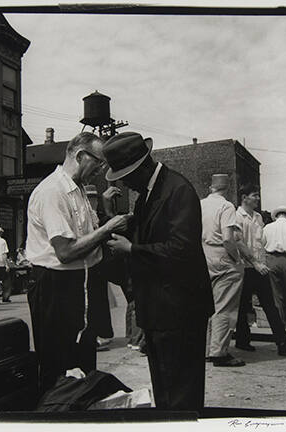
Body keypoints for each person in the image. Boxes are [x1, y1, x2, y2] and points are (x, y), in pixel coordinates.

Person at [104, 131, 214, 411]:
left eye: (125, 175)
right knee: (165, 387)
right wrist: (109, 214)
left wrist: (132, 250)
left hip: (180, 310)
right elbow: (143, 232)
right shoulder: (149, 194)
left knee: (181, 392)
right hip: (161, 309)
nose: (125, 183)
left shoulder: (178, 190)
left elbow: (182, 250)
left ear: (142, 167)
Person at [25, 132, 132, 395]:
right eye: (99, 162)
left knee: (84, 361)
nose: (101, 169)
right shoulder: (52, 192)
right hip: (54, 285)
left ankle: (79, 409)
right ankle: (55, 413)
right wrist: (108, 228)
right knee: (57, 366)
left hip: (80, 283)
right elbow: (65, 251)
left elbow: (88, 238)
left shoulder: (80, 191)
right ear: (81, 156)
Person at [234, 184, 286, 355]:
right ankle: (243, 341)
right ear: (244, 197)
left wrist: (261, 262)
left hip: (261, 267)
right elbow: (238, 241)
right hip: (246, 268)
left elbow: (260, 243)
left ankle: (283, 342)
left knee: (270, 305)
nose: (257, 198)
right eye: (254, 195)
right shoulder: (237, 216)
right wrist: (255, 263)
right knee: (243, 305)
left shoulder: (258, 218)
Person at [200, 174, 245, 367]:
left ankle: (207, 349)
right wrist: (236, 258)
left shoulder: (200, 204)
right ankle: (219, 353)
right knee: (225, 306)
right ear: (227, 188)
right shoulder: (226, 206)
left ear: (211, 187)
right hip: (222, 255)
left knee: (206, 307)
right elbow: (228, 238)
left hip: (203, 255)